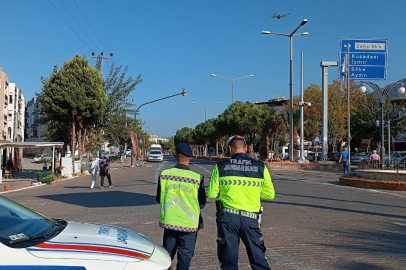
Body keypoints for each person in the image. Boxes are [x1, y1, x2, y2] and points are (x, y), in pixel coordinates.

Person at [207, 135, 275, 270]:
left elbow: (211, 194)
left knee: (228, 261)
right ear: (246, 148)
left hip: (227, 219)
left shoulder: (221, 166)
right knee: (258, 259)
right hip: (251, 220)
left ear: (230, 148)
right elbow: (269, 194)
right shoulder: (260, 167)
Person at [156, 143, 206, 270]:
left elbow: (158, 198)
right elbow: (202, 202)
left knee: (167, 255)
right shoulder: (197, 178)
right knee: (185, 256)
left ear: (174, 156)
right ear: (191, 157)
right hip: (189, 224)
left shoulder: (164, 175)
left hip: (169, 222)